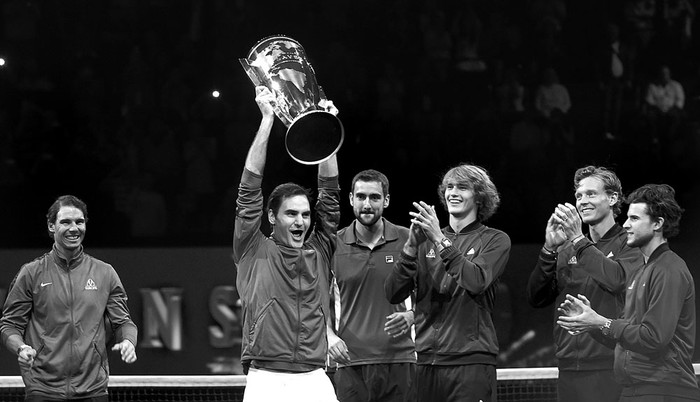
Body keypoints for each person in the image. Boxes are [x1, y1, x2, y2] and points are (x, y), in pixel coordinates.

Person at [233, 86, 340, 402]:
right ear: (271, 216)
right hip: (266, 380)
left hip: (315, 378)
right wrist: (267, 119)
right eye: (291, 214)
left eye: (305, 215)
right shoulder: (253, 247)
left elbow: (330, 196)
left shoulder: (319, 249)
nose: (300, 222)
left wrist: (326, 134)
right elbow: (249, 187)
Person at [556, 184, 700, 401]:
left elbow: (653, 338)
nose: (626, 224)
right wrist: (590, 323)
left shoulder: (669, 269)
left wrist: (601, 322)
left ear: (658, 223)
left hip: (664, 389)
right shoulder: (641, 270)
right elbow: (626, 338)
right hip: (635, 389)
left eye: (634, 219)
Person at [385, 163, 511, 402]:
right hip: (425, 363)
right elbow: (393, 293)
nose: (453, 192)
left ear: (479, 196)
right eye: (449, 187)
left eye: (462, 187)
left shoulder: (495, 240)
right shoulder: (423, 242)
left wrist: (440, 240)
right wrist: (410, 248)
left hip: (470, 362)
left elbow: (475, 281)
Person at [0, 195, 138, 401]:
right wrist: (21, 347)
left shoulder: (105, 272)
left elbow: (123, 322)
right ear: (51, 226)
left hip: (93, 389)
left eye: (79, 222)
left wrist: (128, 341)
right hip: (42, 389)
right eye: (65, 222)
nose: (74, 228)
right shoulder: (31, 273)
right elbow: (9, 325)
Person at [526, 166, 642, 402]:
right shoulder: (567, 249)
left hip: (611, 365)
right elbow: (537, 297)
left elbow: (617, 280)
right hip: (568, 366)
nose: (582, 201)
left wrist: (578, 239)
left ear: (612, 198)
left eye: (591, 194)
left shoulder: (630, 243)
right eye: (579, 196)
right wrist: (549, 250)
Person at [327, 169, 415, 402]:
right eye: (361, 196)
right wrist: (328, 335)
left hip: (401, 360)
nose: (367, 203)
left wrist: (413, 315)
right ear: (350, 199)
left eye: (375, 197)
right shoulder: (333, 245)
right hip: (349, 362)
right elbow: (316, 301)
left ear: (386, 200)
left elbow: (433, 292)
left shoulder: (408, 239)